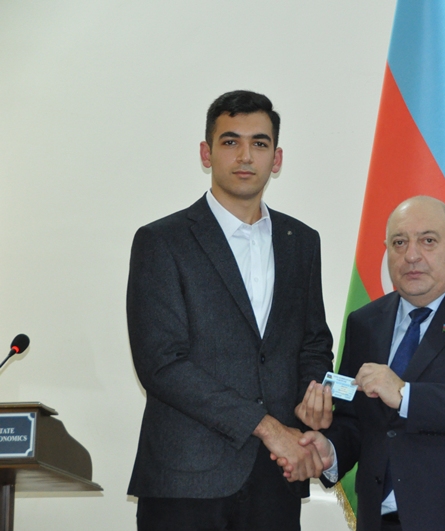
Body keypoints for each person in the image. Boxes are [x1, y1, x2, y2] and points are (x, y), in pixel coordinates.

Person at [126, 90, 334, 531]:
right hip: (186, 481)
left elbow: (313, 342)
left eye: (259, 143)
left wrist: (312, 397)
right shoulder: (162, 241)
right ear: (207, 153)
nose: (245, 155)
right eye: (230, 141)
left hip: (277, 478)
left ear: (276, 159)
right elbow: (161, 364)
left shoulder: (302, 241)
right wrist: (266, 427)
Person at [283, 196, 445, 531]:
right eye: (399, 243)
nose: (412, 255)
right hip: (379, 521)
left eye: (428, 241)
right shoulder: (365, 322)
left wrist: (406, 395)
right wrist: (331, 450)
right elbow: (355, 419)